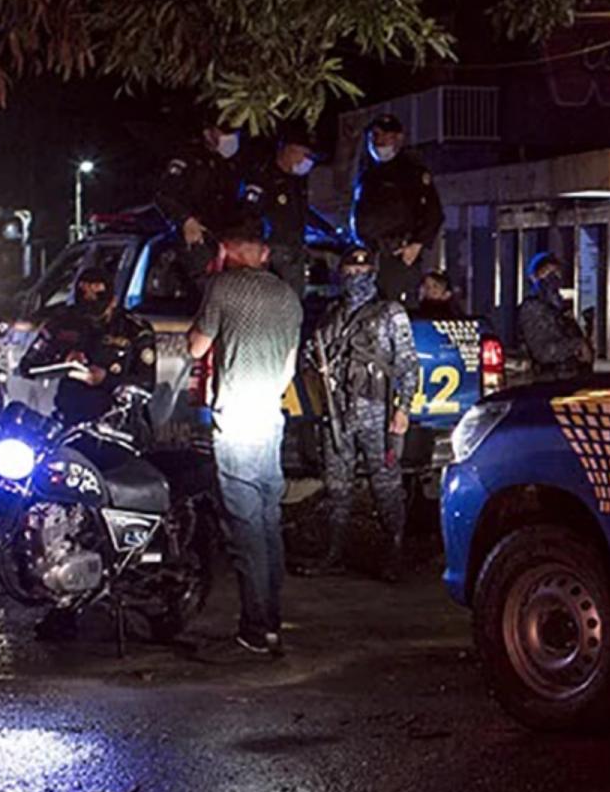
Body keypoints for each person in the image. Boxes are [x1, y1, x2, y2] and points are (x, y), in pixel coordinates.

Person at [186, 212, 305, 656]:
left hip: (235, 416)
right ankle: (271, 618)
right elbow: (290, 365)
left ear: (226, 251)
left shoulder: (222, 287)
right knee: (269, 520)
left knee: (246, 526)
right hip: (270, 416)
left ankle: (258, 625)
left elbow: (197, 346)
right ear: (265, 253)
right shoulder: (289, 297)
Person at [299, 244, 423, 580]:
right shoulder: (331, 315)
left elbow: (408, 364)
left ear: (373, 274)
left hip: (377, 412)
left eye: (362, 272)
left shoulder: (389, 313)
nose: (356, 278)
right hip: (337, 414)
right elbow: (312, 356)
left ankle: (394, 552)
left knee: (386, 485)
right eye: (350, 273)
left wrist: (403, 408)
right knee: (337, 485)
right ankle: (334, 552)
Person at [27, 259, 155, 431]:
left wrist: (106, 379)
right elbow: (28, 366)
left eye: (98, 311)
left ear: (113, 302)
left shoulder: (135, 329)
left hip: (117, 422)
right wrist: (63, 362)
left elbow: (146, 383)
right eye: (85, 310)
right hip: (70, 417)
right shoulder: (62, 322)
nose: (91, 319)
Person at [352, 114, 444, 279]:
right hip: (370, 255)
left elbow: (433, 212)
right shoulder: (368, 174)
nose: (379, 142)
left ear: (399, 139)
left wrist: (416, 245)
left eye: (386, 137)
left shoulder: (412, 172)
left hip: (398, 254)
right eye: (375, 137)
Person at [158, 122, 249, 279]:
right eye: (225, 132)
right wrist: (185, 220)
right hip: (196, 237)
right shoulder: (188, 157)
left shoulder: (231, 164)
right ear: (208, 133)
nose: (231, 138)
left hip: (223, 238)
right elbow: (164, 195)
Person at [255, 128, 321, 292]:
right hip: (273, 251)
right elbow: (252, 214)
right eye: (303, 154)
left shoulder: (296, 182)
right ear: (288, 151)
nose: (306, 161)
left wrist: (329, 231)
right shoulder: (264, 178)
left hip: (295, 249)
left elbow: (303, 213)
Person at [517, 251, 594, 383]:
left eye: (556, 273)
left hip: (571, 379)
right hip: (549, 382)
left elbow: (574, 337)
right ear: (535, 278)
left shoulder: (559, 308)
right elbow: (543, 352)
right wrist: (577, 346)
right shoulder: (533, 307)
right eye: (547, 272)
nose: (554, 278)